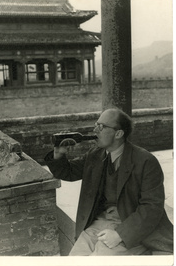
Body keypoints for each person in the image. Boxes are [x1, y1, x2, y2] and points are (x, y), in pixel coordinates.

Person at [45, 108, 173, 255]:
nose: (95, 130)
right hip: (100, 223)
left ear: (118, 134)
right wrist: (59, 153)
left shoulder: (145, 161)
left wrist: (120, 234)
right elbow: (68, 172)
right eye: (96, 124)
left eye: (102, 127)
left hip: (130, 226)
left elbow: (152, 207)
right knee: (75, 258)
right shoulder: (95, 155)